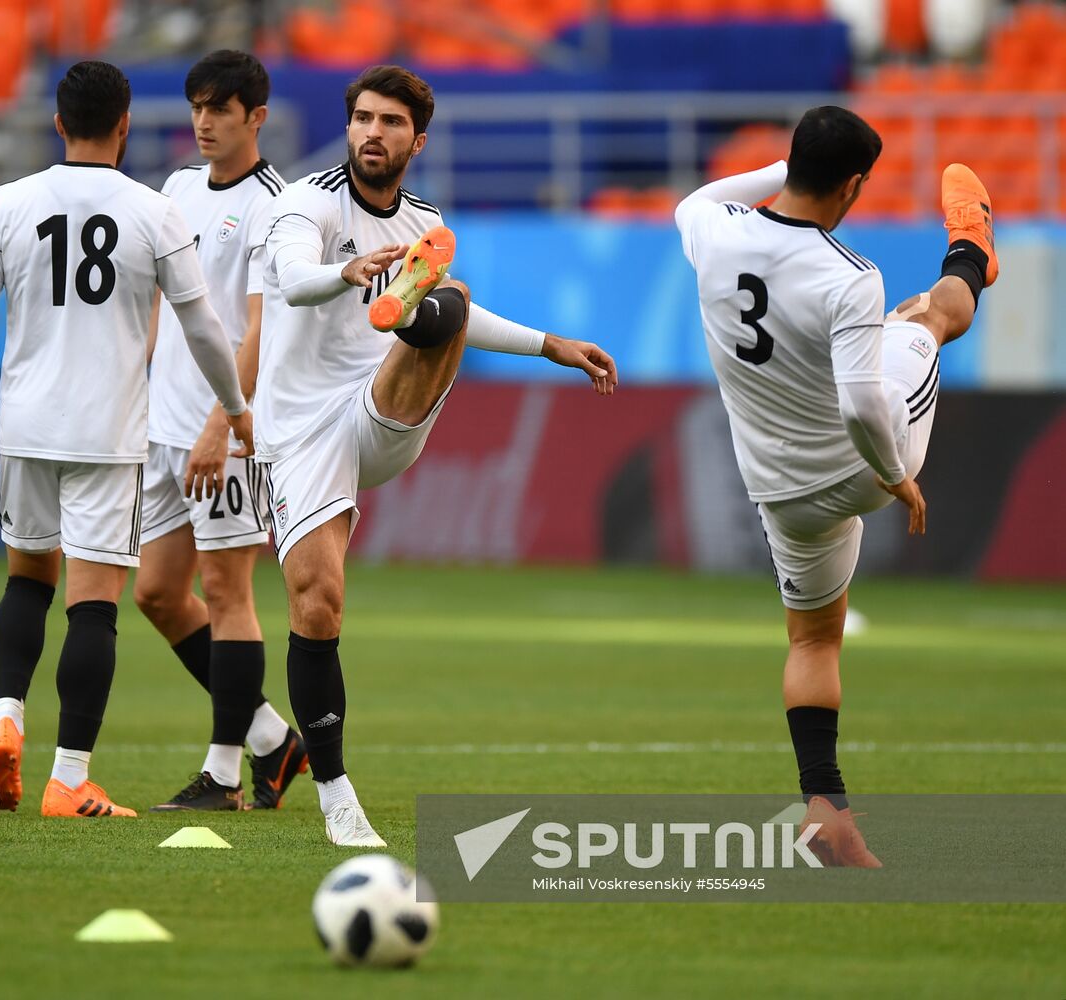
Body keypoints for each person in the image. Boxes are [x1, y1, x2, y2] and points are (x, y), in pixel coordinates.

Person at [255, 64, 619, 846]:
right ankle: (334, 792)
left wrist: (548, 344)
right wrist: (343, 272)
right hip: (301, 432)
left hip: (381, 409)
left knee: (447, 304)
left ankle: (407, 311)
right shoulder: (304, 202)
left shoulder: (423, 219)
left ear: (416, 139)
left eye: (388, 122)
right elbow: (287, 282)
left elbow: (465, 314)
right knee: (317, 600)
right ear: (347, 127)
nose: (370, 133)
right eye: (361, 119)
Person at [674, 106, 998, 865]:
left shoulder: (707, 228)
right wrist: (896, 477)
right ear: (853, 186)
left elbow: (709, 195)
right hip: (856, 471)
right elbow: (859, 403)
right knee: (921, 320)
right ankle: (971, 252)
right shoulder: (848, 275)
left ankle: (826, 808)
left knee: (813, 639)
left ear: (788, 164)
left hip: (777, 493)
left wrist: (784, 169)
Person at [0, 60, 252, 819]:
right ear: (123, 126)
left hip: (25, 429)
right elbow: (205, 327)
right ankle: (69, 778)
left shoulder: (10, 202)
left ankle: (4, 720)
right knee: (93, 607)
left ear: (58, 123)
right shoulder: (152, 211)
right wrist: (236, 408)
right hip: (110, 437)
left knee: (26, 581)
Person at [131, 50, 306, 813]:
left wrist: (219, 424)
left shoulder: (277, 205)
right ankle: (273, 738)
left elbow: (259, 331)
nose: (203, 122)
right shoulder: (174, 189)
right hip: (162, 429)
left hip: (226, 432)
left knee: (226, 591)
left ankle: (225, 775)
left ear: (255, 118)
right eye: (196, 107)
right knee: (158, 594)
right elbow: (160, 306)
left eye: (219, 109)